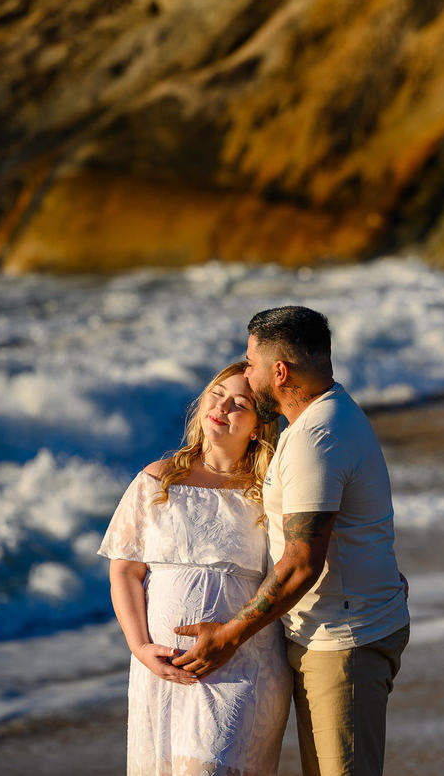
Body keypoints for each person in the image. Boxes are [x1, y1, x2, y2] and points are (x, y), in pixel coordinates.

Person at [171, 306, 411, 776]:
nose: (246, 372)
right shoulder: (331, 414)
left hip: (342, 646)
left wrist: (227, 637)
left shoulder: (314, 439)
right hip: (343, 632)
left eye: (251, 362)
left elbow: (303, 563)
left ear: (279, 372)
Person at [97, 362, 289, 776]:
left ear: (258, 425)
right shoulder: (156, 479)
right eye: (216, 394)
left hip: (242, 663)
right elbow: (126, 570)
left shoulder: (270, 490)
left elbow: (291, 572)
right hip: (160, 671)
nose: (222, 407)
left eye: (239, 403)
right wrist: (140, 647)